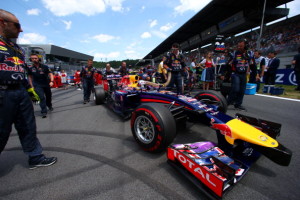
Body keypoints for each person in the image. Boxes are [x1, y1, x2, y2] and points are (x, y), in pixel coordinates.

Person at [0, 9, 57, 169]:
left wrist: (29, 89)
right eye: (17, 25)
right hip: (3, 94)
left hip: (20, 92)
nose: (21, 29)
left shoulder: (17, 48)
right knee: (2, 131)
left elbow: (22, 72)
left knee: (28, 126)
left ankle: (35, 157)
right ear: (2, 23)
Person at [226, 39, 253, 110]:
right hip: (236, 73)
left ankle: (238, 104)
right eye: (238, 46)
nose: (239, 47)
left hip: (244, 74)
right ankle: (227, 103)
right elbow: (229, 63)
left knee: (242, 90)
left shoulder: (249, 53)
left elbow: (251, 62)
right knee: (235, 89)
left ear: (246, 46)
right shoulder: (235, 53)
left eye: (241, 46)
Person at [27, 54, 54, 118]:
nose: (34, 59)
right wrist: (31, 85)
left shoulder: (45, 66)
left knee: (48, 96)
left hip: (46, 84)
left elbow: (50, 74)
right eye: (33, 58)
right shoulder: (30, 68)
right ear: (31, 60)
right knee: (41, 97)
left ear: (38, 59)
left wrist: (51, 81)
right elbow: (30, 77)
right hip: (37, 85)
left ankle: (49, 105)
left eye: (35, 58)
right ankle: (44, 111)